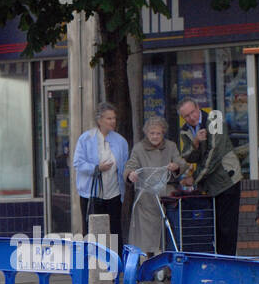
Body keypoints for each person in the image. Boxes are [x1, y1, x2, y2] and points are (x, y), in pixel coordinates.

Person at [178, 96, 243, 255]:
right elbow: (187, 155)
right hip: (209, 185)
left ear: (198, 107)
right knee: (212, 227)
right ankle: (217, 262)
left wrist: (195, 179)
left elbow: (215, 153)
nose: (191, 117)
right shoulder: (185, 130)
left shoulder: (214, 117)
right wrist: (195, 143)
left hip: (227, 179)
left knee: (226, 228)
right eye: (186, 116)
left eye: (193, 112)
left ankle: (226, 265)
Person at [124, 116, 183, 255]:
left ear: (163, 133)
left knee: (168, 232)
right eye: (152, 133)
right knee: (146, 237)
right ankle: (146, 261)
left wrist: (176, 166)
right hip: (146, 198)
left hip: (166, 197)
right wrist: (130, 174)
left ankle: (167, 262)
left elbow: (180, 162)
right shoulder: (139, 148)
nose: (155, 136)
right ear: (146, 133)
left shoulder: (171, 146)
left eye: (158, 133)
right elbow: (130, 165)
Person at [72, 102, 128, 243]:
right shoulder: (86, 139)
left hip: (114, 192)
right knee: (92, 231)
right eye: (109, 118)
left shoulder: (120, 141)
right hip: (91, 194)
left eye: (114, 118)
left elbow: (125, 165)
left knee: (115, 231)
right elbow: (78, 163)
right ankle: (92, 261)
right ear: (99, 120)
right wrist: (97, 168)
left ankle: (116, 262)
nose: (113, 121)